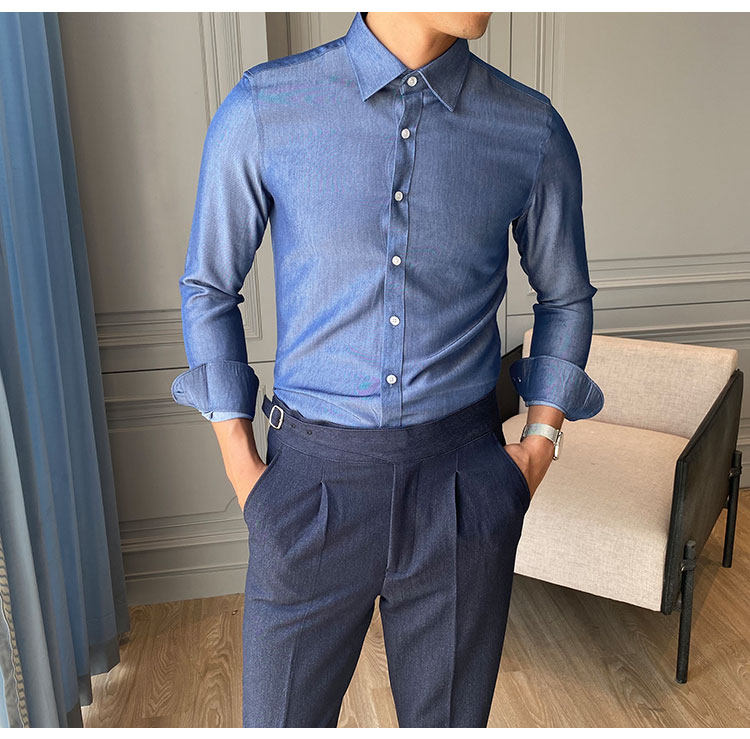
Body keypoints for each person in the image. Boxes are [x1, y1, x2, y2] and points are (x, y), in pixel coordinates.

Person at [171, 10, 604, 728]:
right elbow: (209, 288)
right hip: (308, 489)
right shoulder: (266, 107)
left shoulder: (530, 128)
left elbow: (565, 298)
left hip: (462, 488)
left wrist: (539, 447)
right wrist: (244, 470)